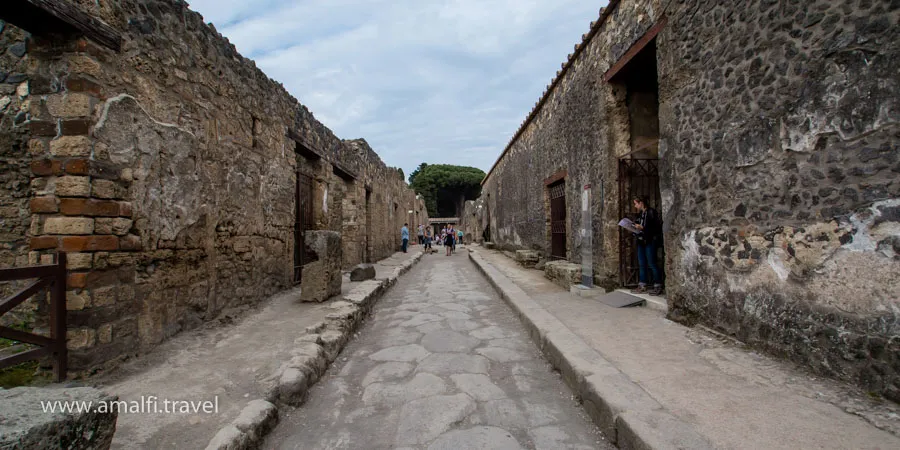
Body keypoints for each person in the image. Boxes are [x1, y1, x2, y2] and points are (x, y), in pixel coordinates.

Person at [630, 196, 663, 295]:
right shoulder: (641, 214)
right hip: (641, 241)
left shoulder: (651, 213)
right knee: (642, 263)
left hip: (650, 241)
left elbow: (656, 228)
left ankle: (658, 285)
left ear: (641, 203)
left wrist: (643, 228)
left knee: (652, 263)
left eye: (636, 203)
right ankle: (642, 284)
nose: (635, 206)